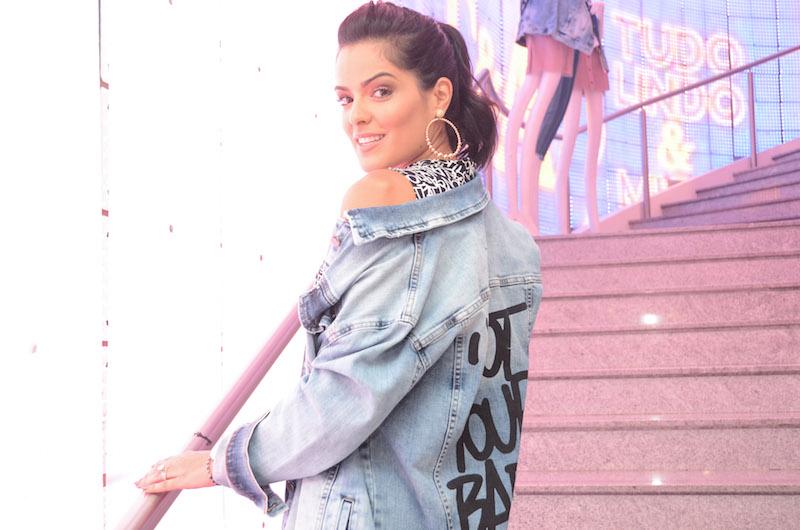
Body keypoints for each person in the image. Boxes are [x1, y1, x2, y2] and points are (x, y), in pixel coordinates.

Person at [135, 2, 543, 528]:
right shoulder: (514, 246)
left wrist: (222, 462)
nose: (356, 117)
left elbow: (343, 398)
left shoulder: (386, 205)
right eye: (346, 98)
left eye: (381, 91)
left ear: (439, 94)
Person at [505, 0, 596, 234]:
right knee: (537, 94)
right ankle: (521, 211)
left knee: (533, 93)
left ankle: (521, 210)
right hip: (554, 21)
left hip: (560, 24)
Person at [555, 0, 609, 232]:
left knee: (595, 144)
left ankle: (595, 225)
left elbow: (599, 36)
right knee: (569, 139)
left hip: (594, 59)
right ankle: (562, 228)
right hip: (572, 59)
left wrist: (598, 13)